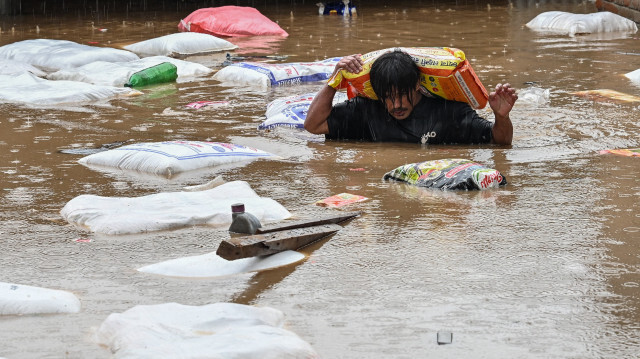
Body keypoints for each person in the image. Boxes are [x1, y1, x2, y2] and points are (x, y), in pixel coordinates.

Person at [304, 50, 518, 145]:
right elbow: (313, 125)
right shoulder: (366, 110)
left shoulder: (449, 112)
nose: (396, 105)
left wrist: (501, 117)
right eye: (387, 97)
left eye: (401, 95)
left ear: (417, 85)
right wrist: (334, 80)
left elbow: (499, 142)